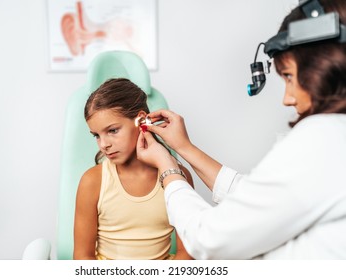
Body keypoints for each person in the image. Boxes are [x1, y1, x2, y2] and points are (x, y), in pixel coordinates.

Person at [136, 0, 346, 259]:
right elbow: (266, 201)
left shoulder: (322, 138)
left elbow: (208, 239)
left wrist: (167, 167)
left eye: (289, 76)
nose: (287, 98)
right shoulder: (336, 137)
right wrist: (184, 148)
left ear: (326, 66)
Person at [73, 78, 194, 260]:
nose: (103, 144)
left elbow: (187, 252)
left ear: (141, 120)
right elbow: (82, 256)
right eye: (96, 135)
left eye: (112, 130)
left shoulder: (177, 178)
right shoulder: (93, 182)